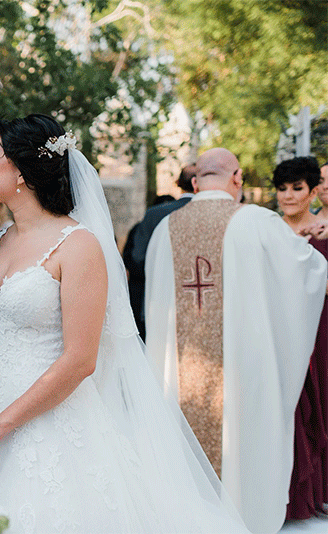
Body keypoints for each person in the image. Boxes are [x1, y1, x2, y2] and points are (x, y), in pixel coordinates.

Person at [0, 115, 249, 533]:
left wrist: (1, 423)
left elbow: (80, 359)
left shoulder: (79, 245)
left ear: (22, 171)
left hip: (49, 424)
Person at [144, 148, 327, 534]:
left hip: (178, 375)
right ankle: (246, 517)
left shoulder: (165, 230)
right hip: (243, 371)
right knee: (244, 437)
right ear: (238, 179)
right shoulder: (259, 222)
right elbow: (309, 274)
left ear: (195, 183)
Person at [273, 157, 328, 520]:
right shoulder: (269, 230)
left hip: (321, 328)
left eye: (297, 188)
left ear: (312, 191)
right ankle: (290, 494)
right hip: (280, 328)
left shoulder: (325, 230)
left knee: (322, 398)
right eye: (282, 189)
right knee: (289, 406)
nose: (289, 196)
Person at [123, 164, 195, 339]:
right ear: (196, 182)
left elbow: (137, 258)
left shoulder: (155, 214)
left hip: (156, 303)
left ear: (179, 183)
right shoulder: (215, 214)